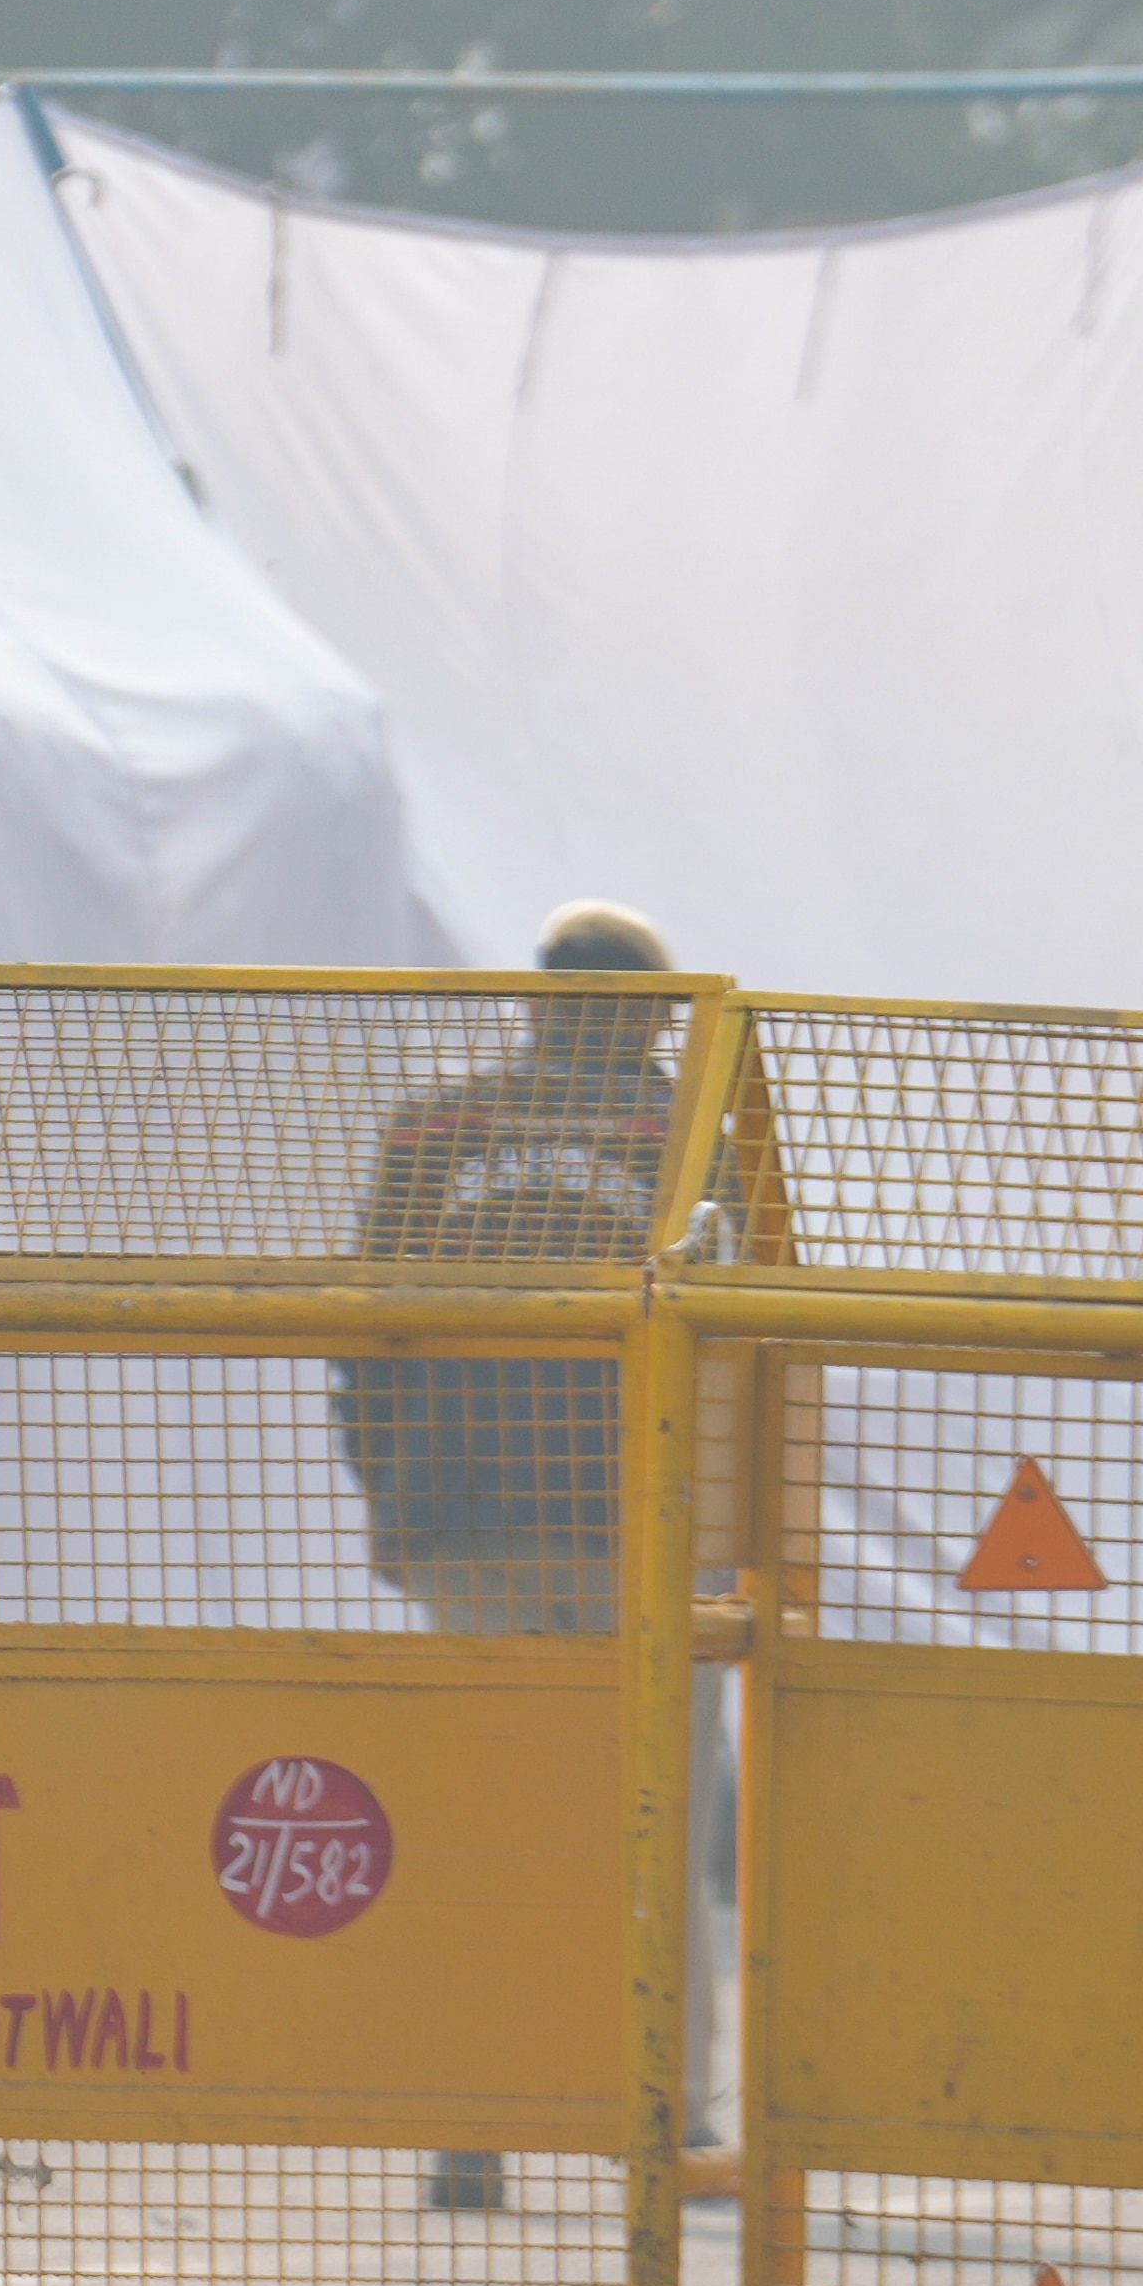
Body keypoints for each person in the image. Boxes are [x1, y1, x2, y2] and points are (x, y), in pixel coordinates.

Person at [332, 896, 704, 2209]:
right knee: (655, 1820)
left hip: (469, 1523)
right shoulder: (687, 1134)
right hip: (640, 1529)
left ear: (537, 1003)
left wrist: (394, 1497)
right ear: (657, 1014)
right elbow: (747, 1339)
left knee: (478, 1826)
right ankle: (676, 2126)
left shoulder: (437, 1131)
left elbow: (365, 1323)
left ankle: (470, 2121)